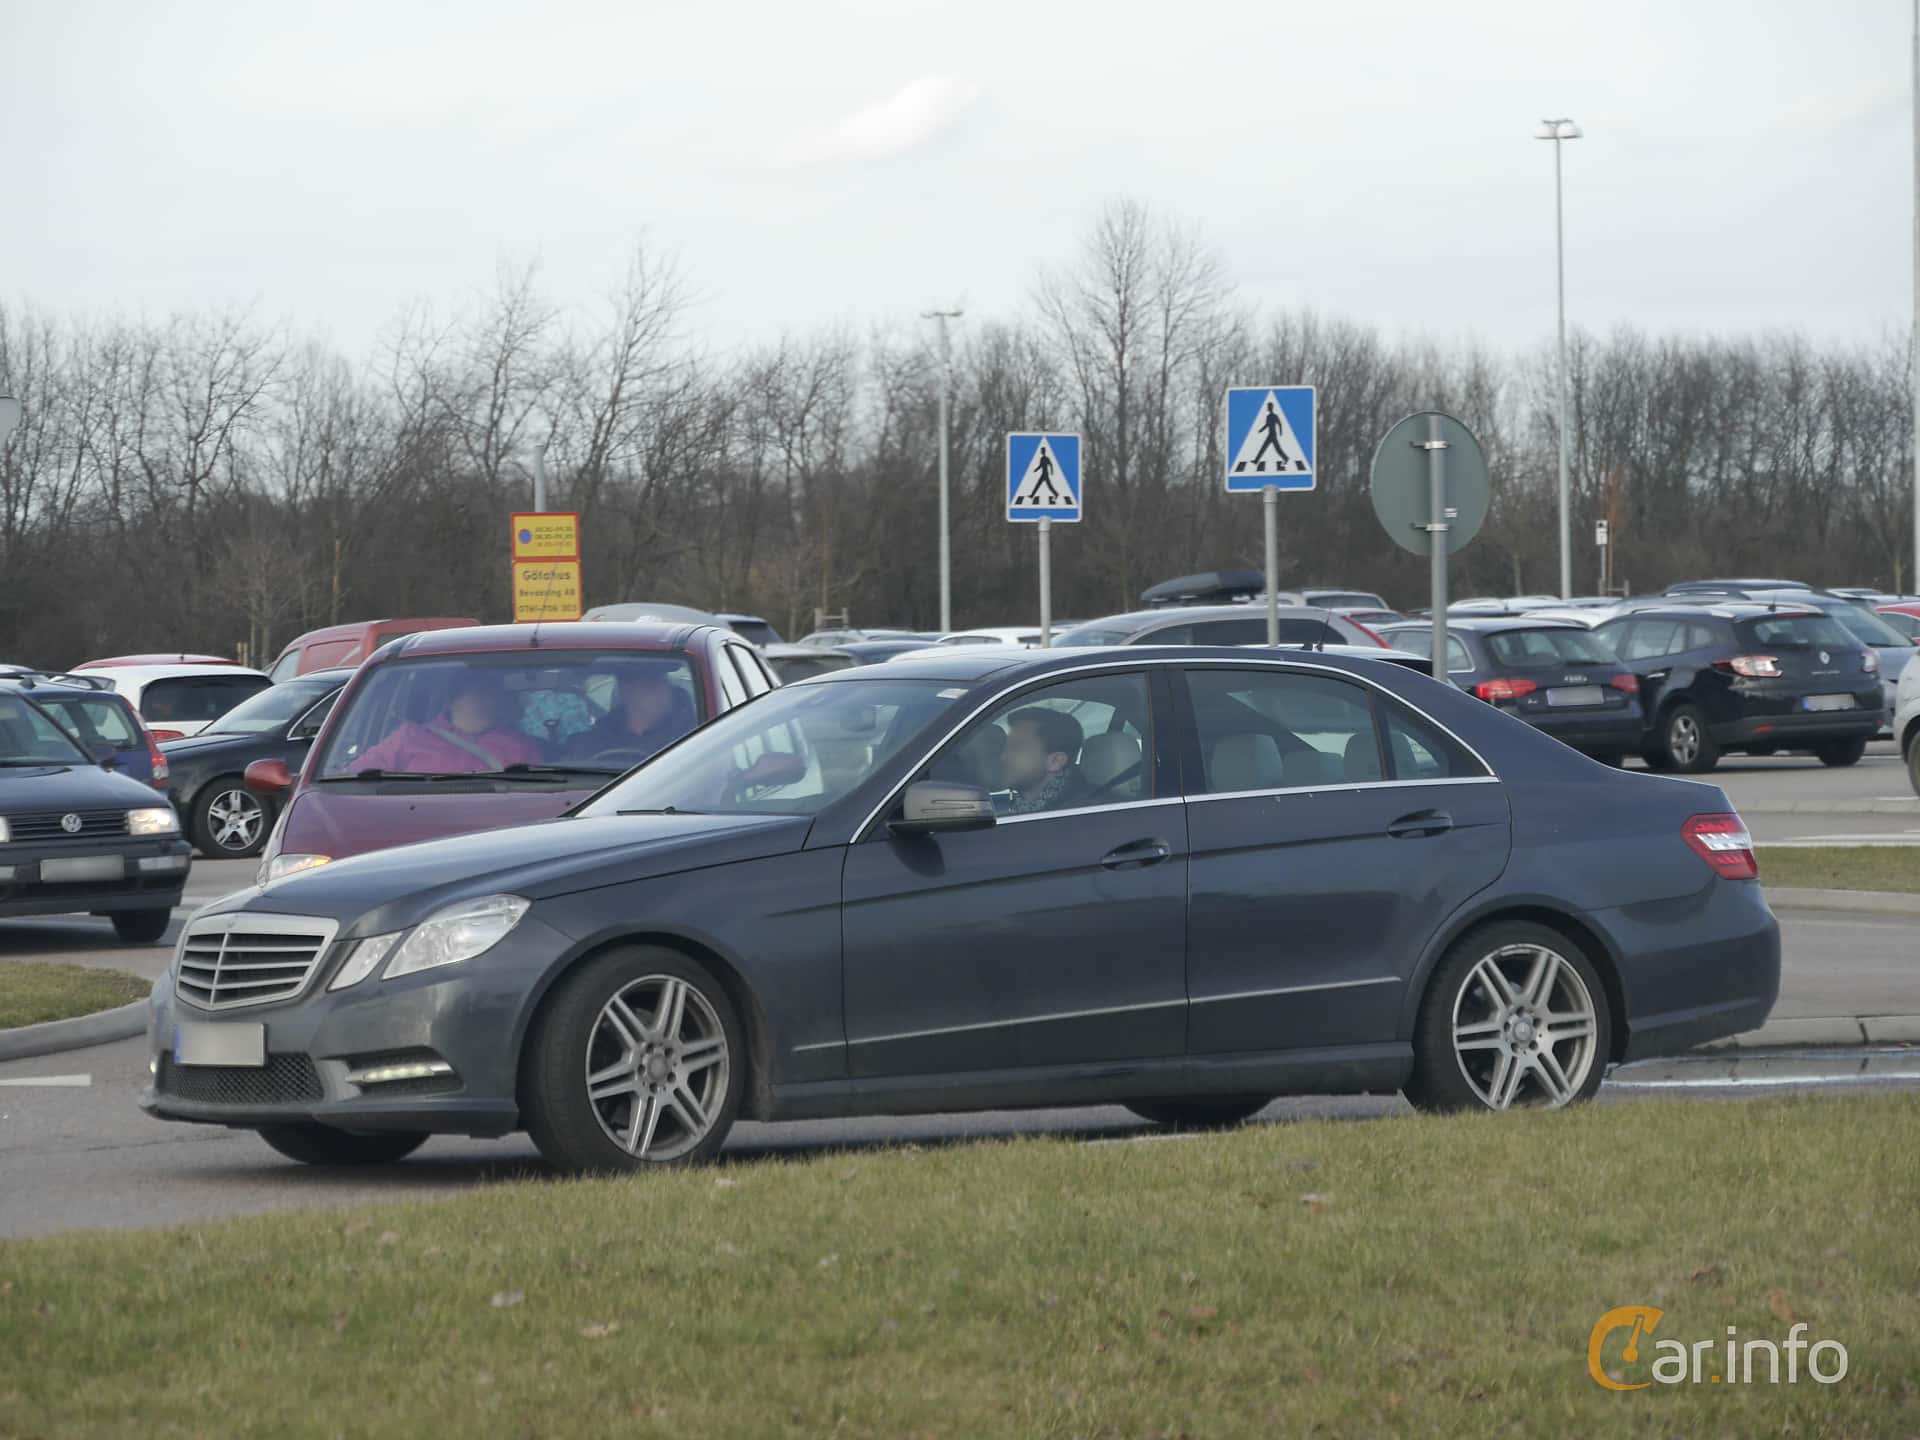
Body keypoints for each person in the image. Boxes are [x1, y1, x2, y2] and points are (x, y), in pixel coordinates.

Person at [350, 673, 540, 774]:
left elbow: (541, 792)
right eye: (479, 695)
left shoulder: (519, 746)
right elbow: (356, 778)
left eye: (493, 697)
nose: (488, 703)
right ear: (451, 700)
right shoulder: (410, 737)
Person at [565, 667, 696, 764]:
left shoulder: (695, 739)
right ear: (625, 690)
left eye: (656, 683)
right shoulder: (596, 738)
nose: (659, 691)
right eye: (630, 682)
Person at [999, 706, 1087, 815]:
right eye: (1007, 747)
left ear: (1055, 761)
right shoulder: (1023, 807)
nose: (1003, 757)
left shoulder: (1081, 817)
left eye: (1017, 747)